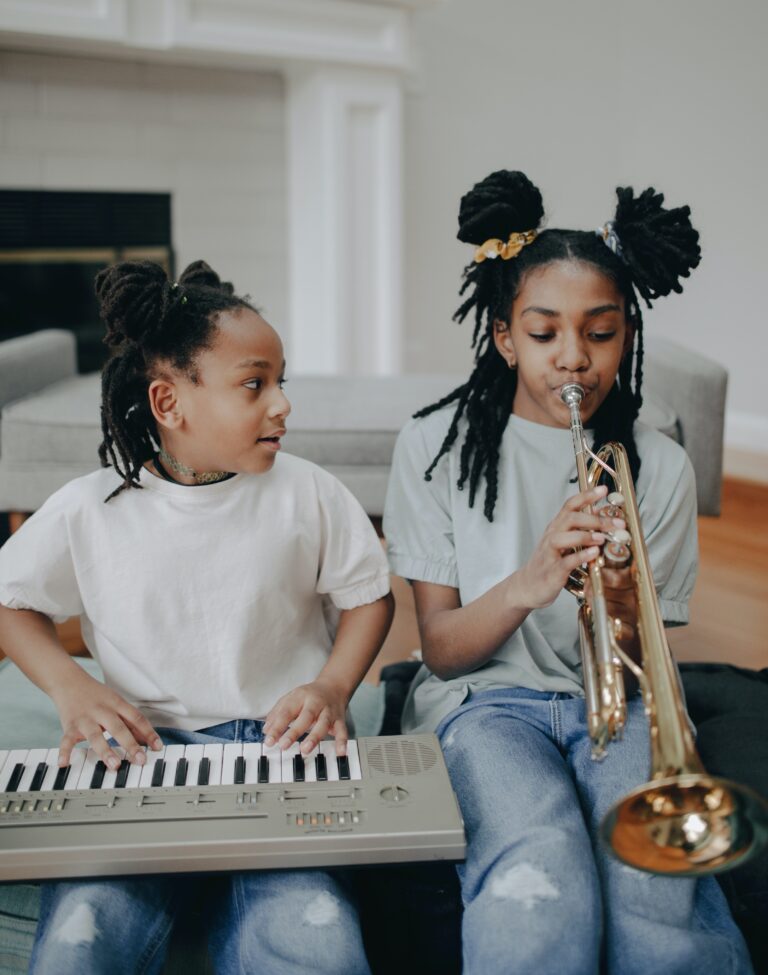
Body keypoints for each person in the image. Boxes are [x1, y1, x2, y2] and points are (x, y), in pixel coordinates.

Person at [383, 170, 753, 975]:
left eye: (600, 332)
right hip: (481, 704)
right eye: (545, 334)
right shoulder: (433, 448)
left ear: (628, 336)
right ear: (505, 336)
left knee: (651, 880)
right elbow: (442, 650)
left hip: (613, 705)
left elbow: (637, 661)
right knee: (539, 865)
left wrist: (610, 587)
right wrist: (532, 577)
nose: (574, 361)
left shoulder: (656, 465)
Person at [0, 259, 394, 975]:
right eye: (255, 384)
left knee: (318, 937)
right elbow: (11, 600)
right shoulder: (90, 507)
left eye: (282, 381)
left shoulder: (308, 492)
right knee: (79, 941)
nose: (282, 405)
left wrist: (333, 687)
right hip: (135, 754)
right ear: (169, 402)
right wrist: (71, 686)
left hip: (281, 749)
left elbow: (370, 595)